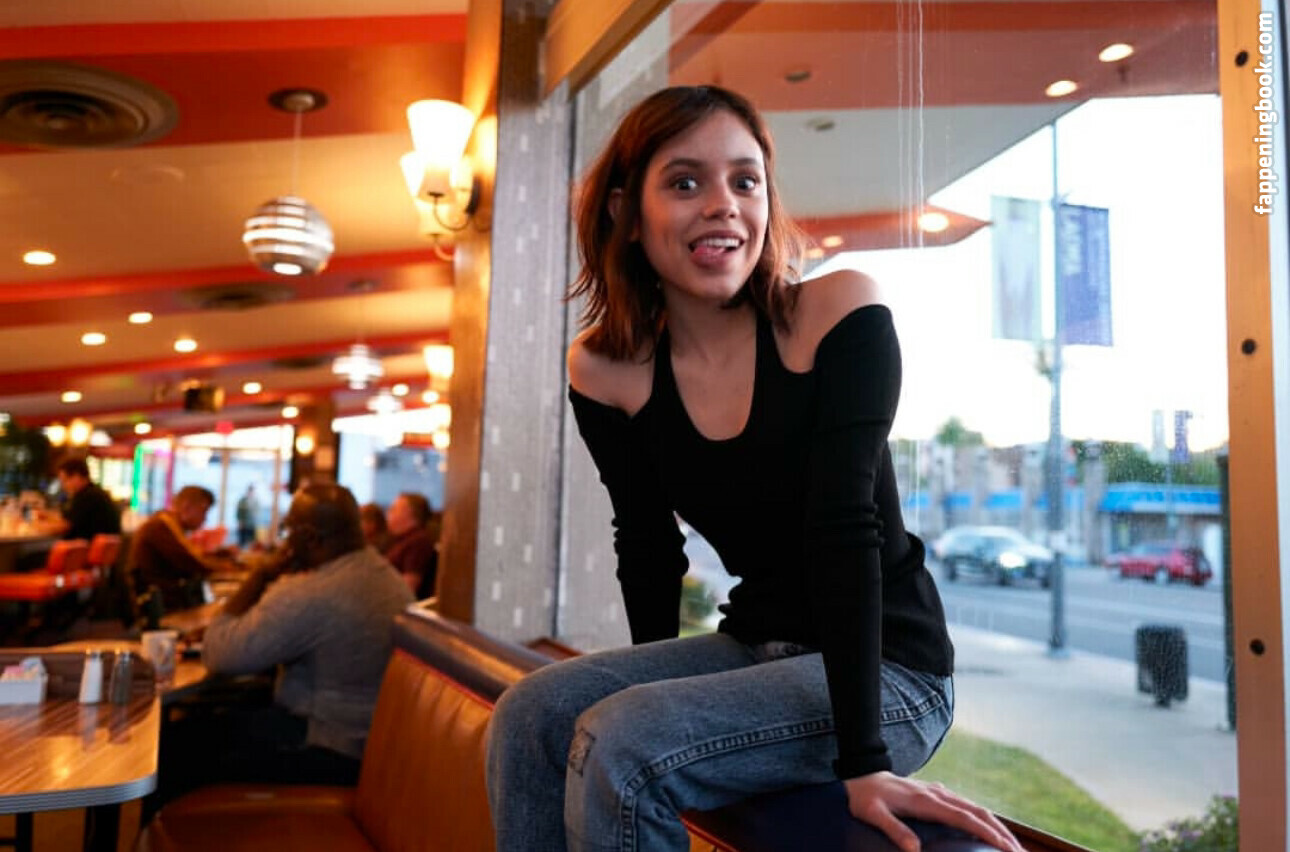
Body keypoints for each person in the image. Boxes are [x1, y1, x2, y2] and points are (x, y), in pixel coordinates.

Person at [485, 86, 1023, 852]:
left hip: (890, 672)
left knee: (624, 741)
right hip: (752, 649)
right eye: (685, 182)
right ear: (625, 213)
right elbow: (647, 545)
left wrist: (864, 764)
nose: (723, 205)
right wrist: (651, 683)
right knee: (528, 715)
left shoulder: (837, 314)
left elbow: (846, 531)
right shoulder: (606, 370)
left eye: (745, 180)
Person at [153, 483, 414, 810]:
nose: (285, 540)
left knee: (174, 746)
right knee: (217, 722)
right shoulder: (383, 575)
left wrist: (260, 576)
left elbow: (220, 654)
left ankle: (167, 832)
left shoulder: (316, 592)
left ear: (310, 538)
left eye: (289, 530)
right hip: (369, 741)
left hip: (328, 747)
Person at [126, 485, 225, 610]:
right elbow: (191, 564)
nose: (205, 518)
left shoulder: (168, 524)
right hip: (159, 605)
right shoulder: (161, 526)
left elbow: (191, 557)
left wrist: (219, 557)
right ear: (186, 507)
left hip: (164, 598)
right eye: (204, 511)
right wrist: (226, 568)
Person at [45, 457, 121, 541]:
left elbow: (65, 526)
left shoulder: (87, 496)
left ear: (77, 477)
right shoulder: (95, 493)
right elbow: (68, 517)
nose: (63, 486)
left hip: (86, 547)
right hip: (94, 546)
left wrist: (40, 527)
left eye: (65, 480)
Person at [383, 492, 438, 598]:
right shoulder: (398, 540)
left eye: (394, 509)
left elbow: (407, 588)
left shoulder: (418, 542)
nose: (389, 513)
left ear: (409, 514)